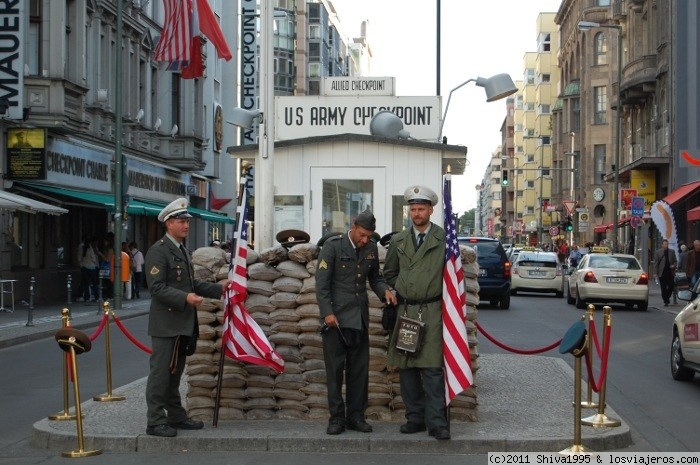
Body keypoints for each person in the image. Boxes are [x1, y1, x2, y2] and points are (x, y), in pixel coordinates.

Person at [144, 198, 229, 438]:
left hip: (181, 324)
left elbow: (191, 283)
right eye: (181, 221)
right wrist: (186, 298)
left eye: (187, 221)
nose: (186, 226)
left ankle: (176, 417)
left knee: (174, 374)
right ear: (168, 223)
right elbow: (157, 288)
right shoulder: (159, 251)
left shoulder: (181, 250)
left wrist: (221, 289)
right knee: (161, 374)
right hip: (166, 324)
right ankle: (155, 421)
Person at [315, 210, 396, 436]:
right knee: (335, 371)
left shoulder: (370, 249)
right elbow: (321, 285)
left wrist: (384, 292)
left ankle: (356, 417)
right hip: (336, 320)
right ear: (353, 226)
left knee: (359, 371)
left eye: (369, 236)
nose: (364, 240)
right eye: (362, 235)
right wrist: (327, 313)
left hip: (359, 318)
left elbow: (375, 278)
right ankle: (336, 418)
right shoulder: (332, 247)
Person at [383, 185, 451, 441]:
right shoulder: (399, 240)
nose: (416, 213)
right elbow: (389, 272)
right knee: (408, 367)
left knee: (432, 368)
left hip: (432, 310)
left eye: (421, 209)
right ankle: (415, 418)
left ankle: (437, 422)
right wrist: (395, 289)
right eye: (413, 209)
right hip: (406, 310)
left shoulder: (443, 239)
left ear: (431, 210)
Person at [654, 239, 677, 306]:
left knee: (671, 286)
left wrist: (673, 265)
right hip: (662, 272)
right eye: (664, 244)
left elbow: (675, 261)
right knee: (663, 288)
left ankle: (667, 297)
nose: (665, 245)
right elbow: (656, 263)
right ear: (662, 245)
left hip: (670, 272)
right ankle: (666, 301)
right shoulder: (658, 252)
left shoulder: (672, 252)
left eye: (666, 244)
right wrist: (655, 273)